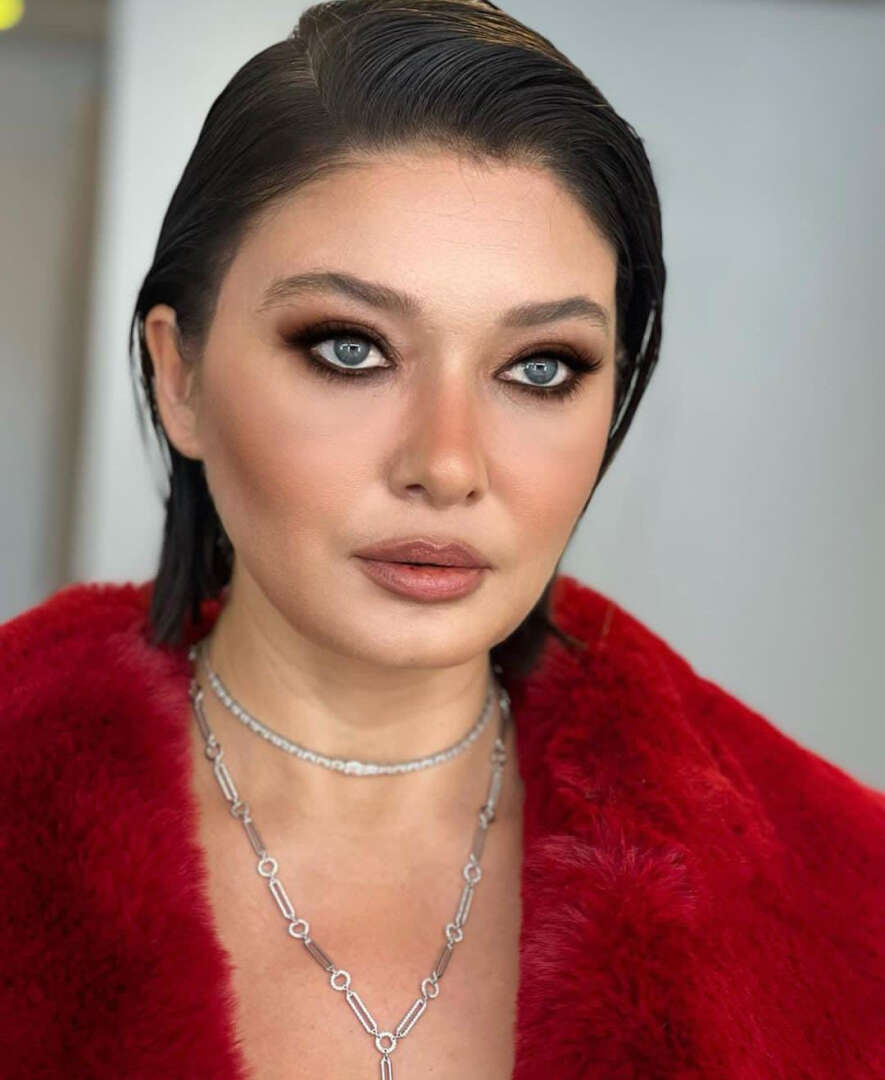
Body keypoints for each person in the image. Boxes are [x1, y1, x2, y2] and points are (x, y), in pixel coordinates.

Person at [1, 1, 882, 1077]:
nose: (449, 463)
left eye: (541, 367)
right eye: (350, 348)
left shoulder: (848, 900)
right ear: (179, 375)